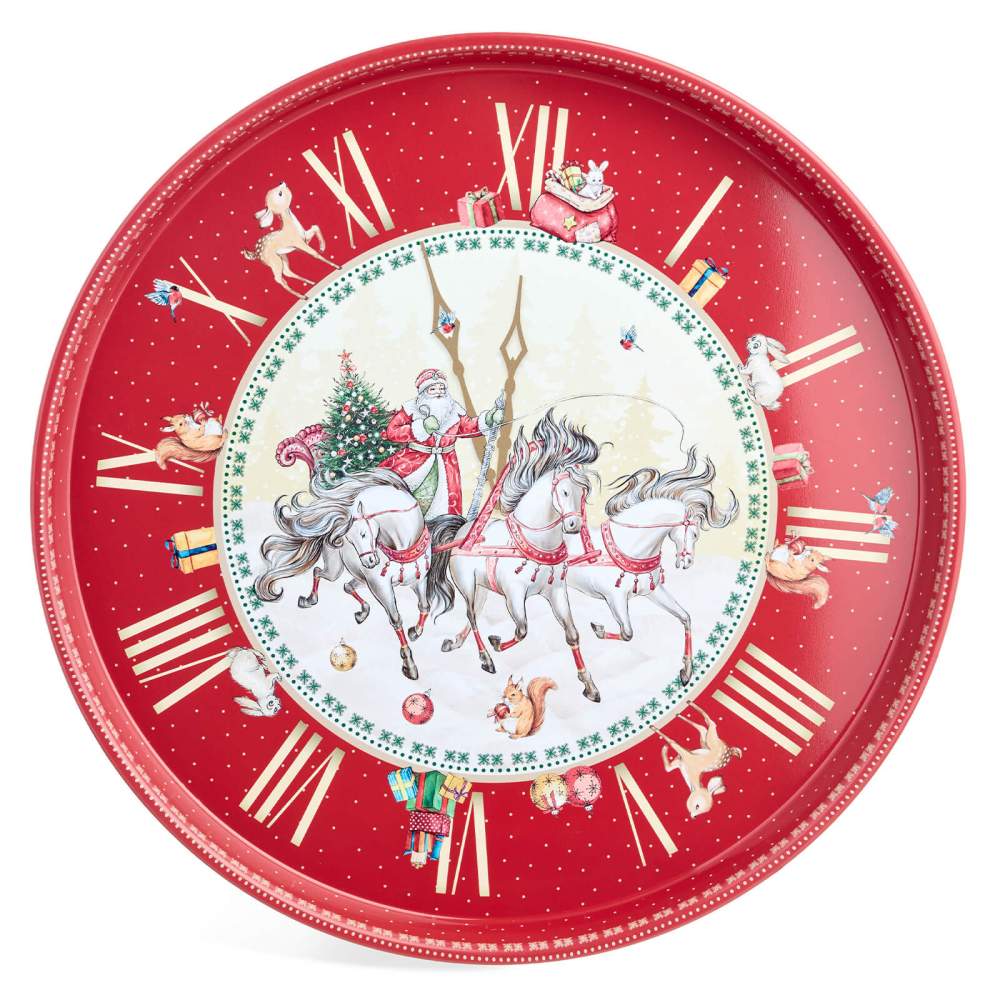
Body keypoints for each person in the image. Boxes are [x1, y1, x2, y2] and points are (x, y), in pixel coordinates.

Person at [379, 368, 503, 517]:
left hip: (447, 464)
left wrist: (488, 419)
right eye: (433, 389)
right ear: (423, 391)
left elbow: (467, 427)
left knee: (444, 505)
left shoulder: (454, 409)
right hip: (414, 462)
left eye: (442, 388)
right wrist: (422, 427)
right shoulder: (411, 408)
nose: (438, 392)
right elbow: (392, 432)